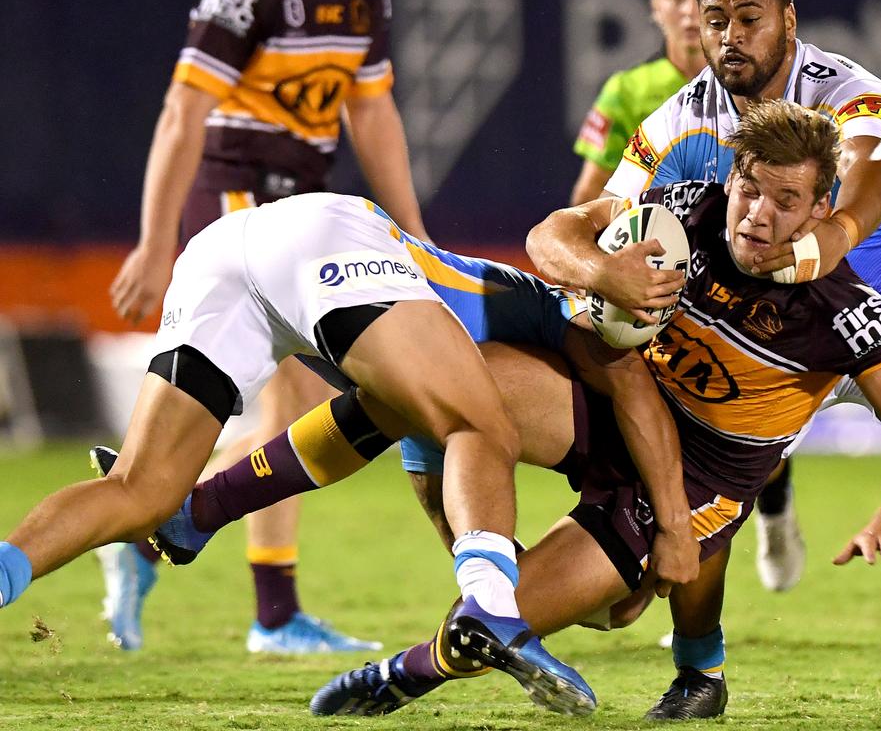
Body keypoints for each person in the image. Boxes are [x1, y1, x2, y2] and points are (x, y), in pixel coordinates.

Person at [101, 102, 881, 719]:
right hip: (605, 404)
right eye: (750, 188)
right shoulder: (687, 217)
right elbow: (552, 235)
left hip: (697, 481)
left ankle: (410, 672)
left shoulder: (846, 312)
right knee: (432, 387)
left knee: (553, 615)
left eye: (786, 201)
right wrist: (600, 273)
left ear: (823, 211)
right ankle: (199, 509)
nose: (756, 213)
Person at [527, 0, 881, 719]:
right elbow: (589, 224)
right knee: (692, 469)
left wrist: (821, 247)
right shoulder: (673, 124)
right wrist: (600, 275)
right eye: (715, 19)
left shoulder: (845, 88)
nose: (730, 36)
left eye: (749, 17)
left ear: (789, 19)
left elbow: (874, 175)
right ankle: (700, 673)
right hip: (758, 337)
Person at [0, 193, 623, 717]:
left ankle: (20, 565)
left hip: (225, 251)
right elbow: (604, 387)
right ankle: (493, 610)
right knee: (483, 423)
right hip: (333, 239)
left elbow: (384, 446)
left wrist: (515, 579)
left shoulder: (426, 365)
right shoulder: (557, 313)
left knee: (139, 491)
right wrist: (505, 595)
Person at [100, 0, 430, 653]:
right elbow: (183, 111)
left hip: (302, 200)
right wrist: (156, 242)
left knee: (306, 418)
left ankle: (147, 518)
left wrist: (415, 233)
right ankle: (272, 613)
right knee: (289, 409)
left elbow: (370, 109)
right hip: (233, 194)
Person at [570, 0, 707, 206]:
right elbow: (587, 201)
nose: (691, 10)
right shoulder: (625, 91)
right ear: (656, 8)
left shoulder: (747, 84)